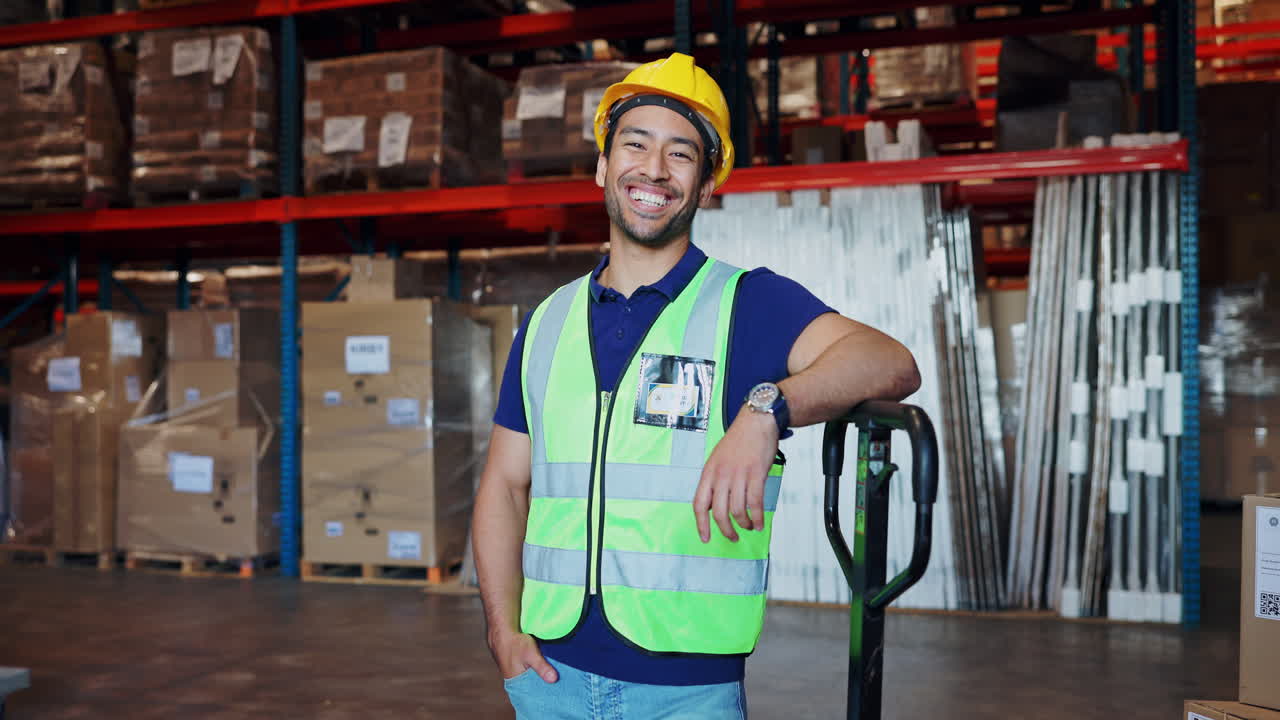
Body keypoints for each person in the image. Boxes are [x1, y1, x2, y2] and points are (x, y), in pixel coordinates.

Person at [473, 53, 921, 719]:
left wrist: (769, 407)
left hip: (687, 694)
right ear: (602, 165)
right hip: (549, 679)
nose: (654, 170)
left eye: (680, 155)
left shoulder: (748, 304)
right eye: (636, 145)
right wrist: (503, 634)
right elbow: (505, 487)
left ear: (706, 185)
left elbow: (890, 361)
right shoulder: (547, 323)